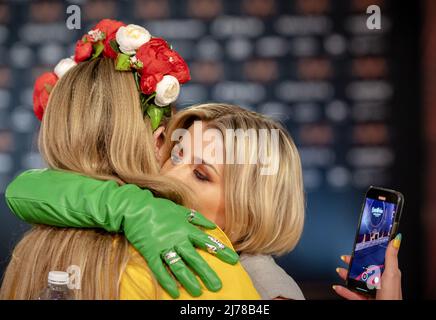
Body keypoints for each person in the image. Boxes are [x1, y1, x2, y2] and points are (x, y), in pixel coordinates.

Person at [0, 19, 260, 300]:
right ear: (157, 139)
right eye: (176, 153)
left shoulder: (26, 256)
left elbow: (22, 190)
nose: (176, 175)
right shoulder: (190, 250)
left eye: (200, 173)